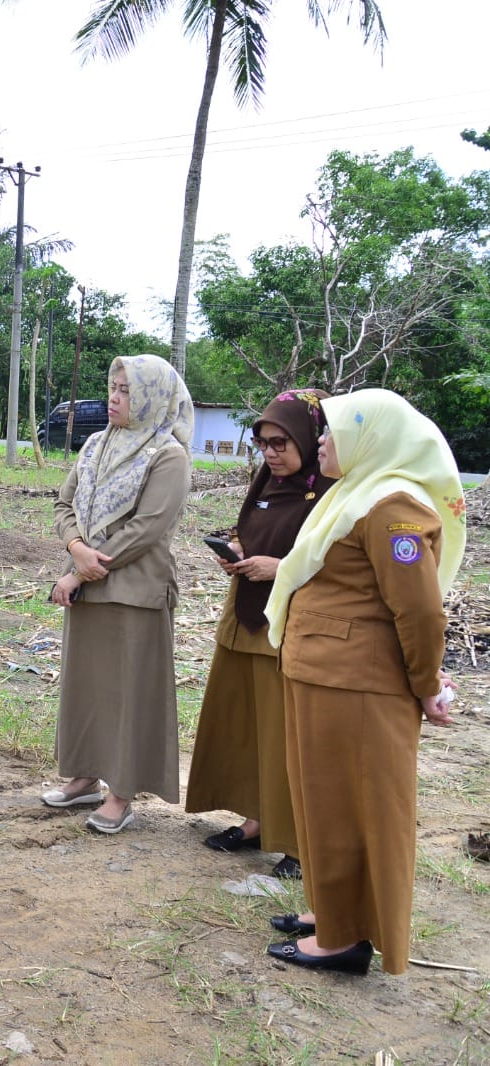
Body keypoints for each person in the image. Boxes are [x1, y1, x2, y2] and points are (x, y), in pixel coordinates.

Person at [262, 389, 464, 976]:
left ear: (367, 437)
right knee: (321, 802)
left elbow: (421, 612)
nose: (320, 441)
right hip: (325, 674)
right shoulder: (355, 495)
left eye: (331, 430)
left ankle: (346, 939)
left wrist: (427, 683)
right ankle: (330, 912)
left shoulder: (392, 507)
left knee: (353, 807)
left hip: (357, 683)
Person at [185, 389, 334, 880]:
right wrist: (234, 548)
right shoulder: (266, 479)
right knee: (246, 726)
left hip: (290, 627)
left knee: (285, 734)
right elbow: (248, 528)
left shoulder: (334, 489)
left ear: (310, 439)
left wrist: (283, 569)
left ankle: (295, 841)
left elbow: (341, 563)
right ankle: (256, 822)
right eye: (263, 441)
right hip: (245, 617)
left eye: (281, 442)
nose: (271, 452)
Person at [45, 354, 193, 834]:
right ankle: (85, 776)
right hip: (88, 584)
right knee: (88, 689)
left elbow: (147, 529)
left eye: (127, 390)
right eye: (113, 387)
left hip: (134, 591)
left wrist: (84, 567)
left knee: (128, 694)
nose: (114, 397)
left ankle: (121, 794)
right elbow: (65, 502)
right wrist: (74, 549)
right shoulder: (95, 444)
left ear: (152, 397)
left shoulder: (168, 455)